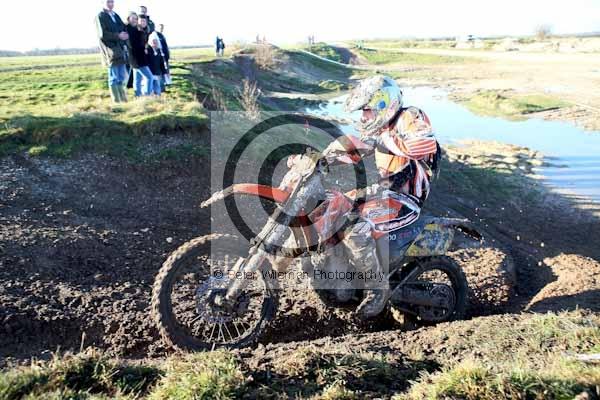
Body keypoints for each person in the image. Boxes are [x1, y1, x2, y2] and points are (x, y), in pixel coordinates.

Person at [323, 76, 440, 319]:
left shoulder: (409, 117)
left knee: (354, 229)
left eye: (366, 110)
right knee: (330, 206)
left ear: (383, 104)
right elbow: (354, 149)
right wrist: (320, 159)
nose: (364, 116)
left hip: (405, 199)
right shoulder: (381, 129)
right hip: (384, 192)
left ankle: (377, 289)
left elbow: (425, 144)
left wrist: (384, 139)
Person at [96, 0, 129, 103]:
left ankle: (123, 100)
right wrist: (118, 35)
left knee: (121, 77)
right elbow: (102, 34)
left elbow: (123, 27)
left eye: (112, 2)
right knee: (114, 77)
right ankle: (117, 101)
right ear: (103, 3)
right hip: (110, 51)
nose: (110, 4)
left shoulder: (116, 15)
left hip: (120, 50)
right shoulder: (100, 16)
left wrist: (125, 34)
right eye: (108, 2)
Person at [126, 13, 153, 97]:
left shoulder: (143, 31)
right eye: (141, 21)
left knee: (137, 79)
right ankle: (147, 95)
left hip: (138, 58)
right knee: (149, 77)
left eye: (144, 21)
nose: (143, 22)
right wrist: (144, 48)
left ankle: (138, 95)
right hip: (137, 58)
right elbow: (134, 44)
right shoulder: (134, 30)